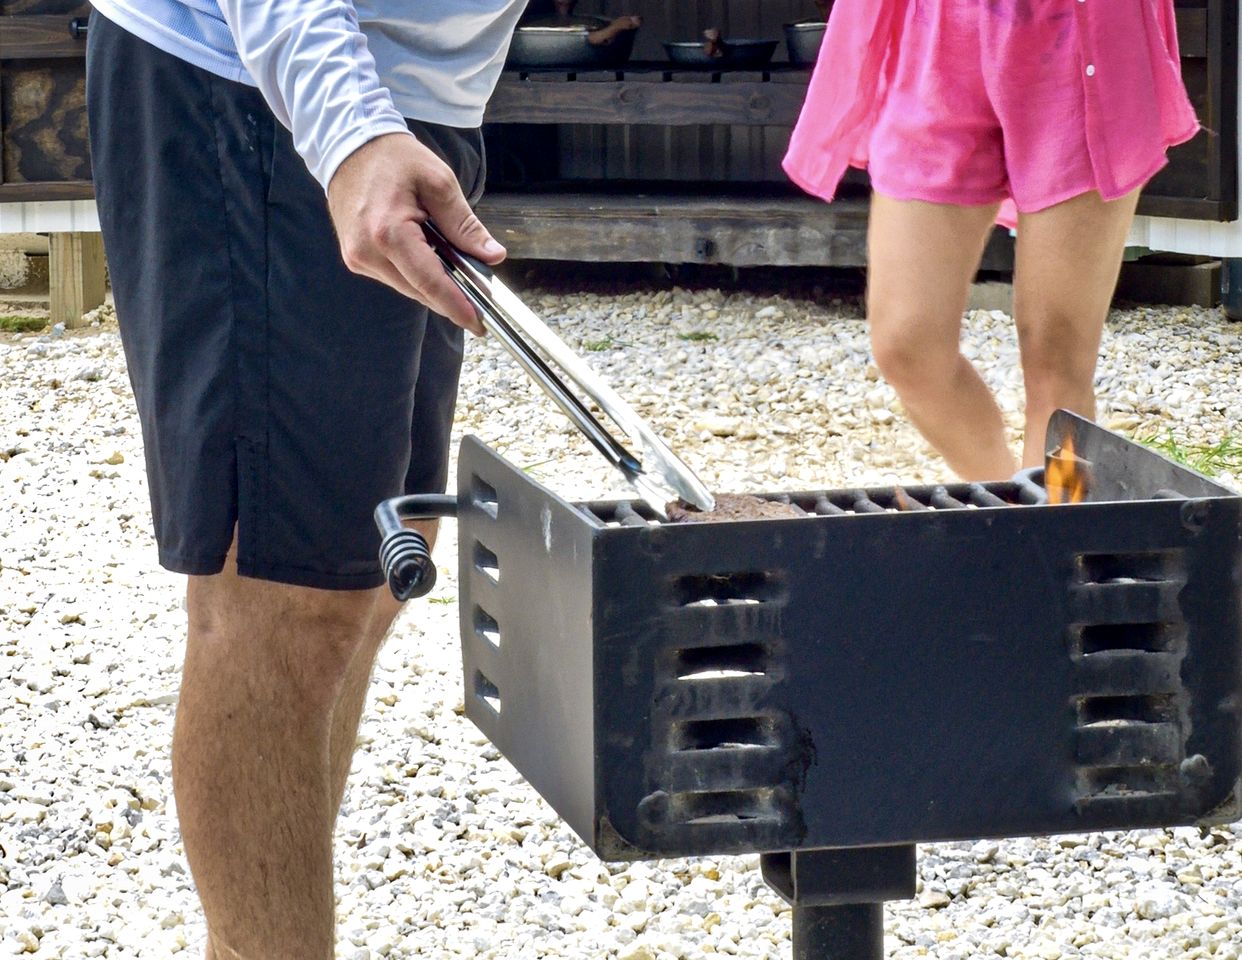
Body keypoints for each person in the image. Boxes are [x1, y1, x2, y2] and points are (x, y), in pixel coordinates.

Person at [84, 1, 524, 956]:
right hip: (260, 76)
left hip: (410, 96)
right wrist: (352, 125)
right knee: (285, 594)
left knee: (364, 573)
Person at [783, 0, 1198, 479]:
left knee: (1057, 360)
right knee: (906, 343)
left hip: (1079, 35)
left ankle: (1050, 537)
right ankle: (1006, 509)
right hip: (937, 33)